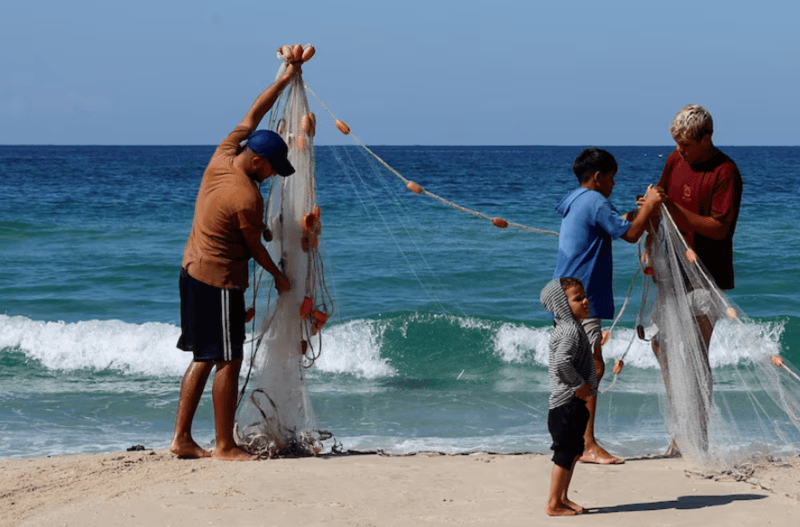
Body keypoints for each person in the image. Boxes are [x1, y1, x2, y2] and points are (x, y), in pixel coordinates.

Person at [170, 62, 302, 461]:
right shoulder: (247, 195)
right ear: (260, 161)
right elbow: (255, 250)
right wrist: (280, 277)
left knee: (204, 357)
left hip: (191, 271)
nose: (272, 177)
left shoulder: (224, 153)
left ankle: (182, 439)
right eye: (273, 170)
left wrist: (282, 79)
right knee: (229, 359)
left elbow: (253, 113)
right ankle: (225, 446)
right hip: (218, 280)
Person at [552, 148, 664, 464]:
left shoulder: (577, 199)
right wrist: (652, 205)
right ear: (599, 177)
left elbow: (618, 222)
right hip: (581, 300)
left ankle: (573, 440)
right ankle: (585, 444)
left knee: (583, 367)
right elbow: (629, 234)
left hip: (565, 294)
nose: (614, 184)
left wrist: (641, 212)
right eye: (612, 178)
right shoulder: (596, 201)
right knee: (592, 368)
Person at [651, 104, 743, 455]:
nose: (680, 151)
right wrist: (648, 237)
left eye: (687, 144)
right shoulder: (675, 160)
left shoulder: (725, 172)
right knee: (661, 345)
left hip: (707, 275)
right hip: (670, 271)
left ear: (707, 138)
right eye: (676, 143)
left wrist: (676, 211)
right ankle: (680, 429)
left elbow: (720, 229)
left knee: (696, 353)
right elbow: (661, 203)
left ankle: (698, 438)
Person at [540, 277, 597, 516]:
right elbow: (563, 361)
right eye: (577, 298)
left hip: (571, 404)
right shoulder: (571, 330)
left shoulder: (570, 328)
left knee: (574, 451)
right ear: (563, 305)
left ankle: (562, 498)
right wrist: (579, 385)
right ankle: (553, 503)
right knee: (564, 454)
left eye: (584, 296)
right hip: (566, 405)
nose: (585, 301)